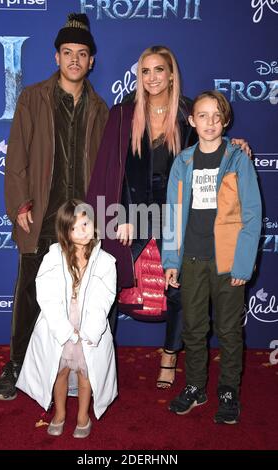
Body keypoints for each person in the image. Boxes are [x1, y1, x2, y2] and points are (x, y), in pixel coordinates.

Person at [87, 46, 250, 389]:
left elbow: (212, 146)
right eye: (145, 71)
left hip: (178, 218)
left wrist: (237, 147)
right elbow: (111, 171)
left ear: (171, 74)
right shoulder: (122, 114)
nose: (152, 78)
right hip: (132, 215)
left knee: (179, 291)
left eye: (159, 70)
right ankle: (99, 359)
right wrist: (116, 217)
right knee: (109, 290)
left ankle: (170, 355)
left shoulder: (190, 113)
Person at [0, 13, 109, 401]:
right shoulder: (32, 98)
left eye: (81, 53)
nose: (74, 59)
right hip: (40, 211)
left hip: (84, 222)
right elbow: (17, 158)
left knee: (85, 296)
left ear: (91, 60)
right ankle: (16, 363)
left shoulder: (101, 108)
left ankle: (84, 370)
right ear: (56, 57)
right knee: (30, 290)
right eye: (67, 52)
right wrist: (20, 203)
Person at [162, 91, 262, 424]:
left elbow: (251, 213)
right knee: (193, 328)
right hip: (190, 258)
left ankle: (229, 390)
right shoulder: (183, 162)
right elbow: (173, 215)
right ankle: (194, 387)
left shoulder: (238, 159)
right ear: (191, 121)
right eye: (202, 116)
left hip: (228, 261)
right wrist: (171, 262)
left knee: (230, 330)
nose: (210, 122)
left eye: (216, 116)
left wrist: (243, 264)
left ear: (226, 120)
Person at [16, 199, 117, 438]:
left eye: (86, 223)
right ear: (65, 232)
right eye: (74, 227)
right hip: (58, 326)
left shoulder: (105, 261)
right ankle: (59, 413)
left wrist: (89, 332)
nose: (82, 230)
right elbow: (47, 295)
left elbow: (104, 299)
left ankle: (83, 416)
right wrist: (63, 330)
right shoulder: (53, 257)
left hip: (89, 328)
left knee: (86, 373)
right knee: (58, 372)